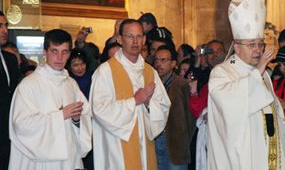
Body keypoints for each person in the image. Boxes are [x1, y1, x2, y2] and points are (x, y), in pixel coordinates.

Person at [208, 0, 285, 170]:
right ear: (237, 47)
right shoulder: (222, 73)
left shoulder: (263, 74)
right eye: (251, 45)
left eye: (260, 44)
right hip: (243, 160)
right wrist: (257, 73)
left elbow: (268, 113)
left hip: (267, 157)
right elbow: (230, 113)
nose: (258, 50)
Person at [90, 19, 171, 169]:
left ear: (144, 39)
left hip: (145, 146)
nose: (135, 41)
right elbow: (98, 109)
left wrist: (149, 104)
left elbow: (164, 106)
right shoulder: (105, 71)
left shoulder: (149, 71)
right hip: (117, 149)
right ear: (120, 39)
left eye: (139, 36)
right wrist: (134, 101)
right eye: (130, 36)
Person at [9, 29, 92, 169]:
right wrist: (60, 116)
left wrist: (77, 120)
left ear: (69, 54)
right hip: (40, 162)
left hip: (68, 160)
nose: (59, 57)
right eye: (54, 51)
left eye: (64, 52)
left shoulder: (70, 84)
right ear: (45, 52)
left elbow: (86, 115)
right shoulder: (29, 85)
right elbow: (21, 126)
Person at [154, 46, 196, 170]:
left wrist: (183, 141)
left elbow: (190, 117)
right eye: (156, 60)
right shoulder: (152, 82)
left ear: (173, 63)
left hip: (176, 143)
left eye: (164, 60)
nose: (159, 64)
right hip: (156, 139)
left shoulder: (181, 84)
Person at [0, 12, 21, 169]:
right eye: (0, 26)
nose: (4, 30)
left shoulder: (10, 59)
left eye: (6, 26)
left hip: (9, 132)